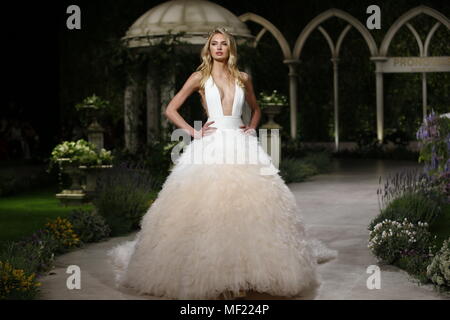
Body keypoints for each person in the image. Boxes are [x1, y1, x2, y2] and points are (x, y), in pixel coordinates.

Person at [108, 27, 337, 300]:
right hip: (212, 144)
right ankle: (213, 273)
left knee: (253, 209)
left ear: (230, 49)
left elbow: (256, 108)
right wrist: (193, 132)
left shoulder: (242, 77)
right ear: (209, 48)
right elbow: (171, 108)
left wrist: (251, 127)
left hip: (242, 144)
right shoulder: (199, 77)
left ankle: (249, 271)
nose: (219, 48)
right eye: (214, 44)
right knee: (208, 207)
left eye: (224, 44)